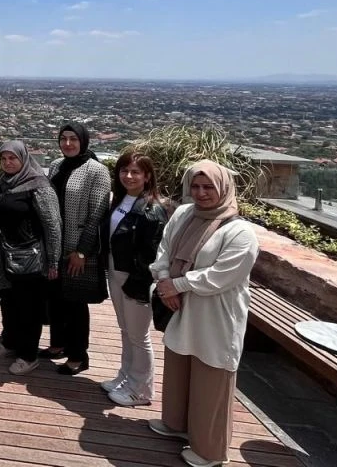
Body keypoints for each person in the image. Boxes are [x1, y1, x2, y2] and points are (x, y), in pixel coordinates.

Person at [148, 161, 259, 467]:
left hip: (215, 316)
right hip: (179, 305)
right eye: (195, 186)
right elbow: (164, 250)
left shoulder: (239, 232)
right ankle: (176, 424)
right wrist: (162, 281)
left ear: (223, 188)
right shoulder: (184, 214)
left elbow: (221, 276)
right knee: (179, 366)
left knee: (211, 376)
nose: (201, 193)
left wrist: (175, 285)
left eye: (209, 187)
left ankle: (209, 450)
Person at [0, 141, 62, 377]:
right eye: (4, 159)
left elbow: (53, 225)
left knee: (29, 308)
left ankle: (28, 354)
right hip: (2, 257)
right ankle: (10, 340)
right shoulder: (3, 182)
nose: (7, 163)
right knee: (9, 301)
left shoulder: (38, 185)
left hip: (29, 259)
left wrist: (54, 261)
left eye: (12, 159)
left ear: (24, 159)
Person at [42, 122, 112, 376]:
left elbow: (97, 214)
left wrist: (82, 251)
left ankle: (78, 355)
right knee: (55, 299)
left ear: (83, 141)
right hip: (55, 245)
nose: (68, 143)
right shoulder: (56, 166)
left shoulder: (97, 170)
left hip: (77, 248)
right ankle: (58, 344)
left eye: (73, 139)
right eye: (63, 138)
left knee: (75, 303)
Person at [103, 153, 169, 408]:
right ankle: (126, 378)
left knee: (139, 336)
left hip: (135, 278)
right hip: (116, 270)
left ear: (147, 175)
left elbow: (151, 253)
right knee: (125, 330)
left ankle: (141, 390)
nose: (128, 176)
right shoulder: (121, 200)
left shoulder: (152, 209)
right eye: (124, 171)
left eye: (135, 172)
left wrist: (138, 284)